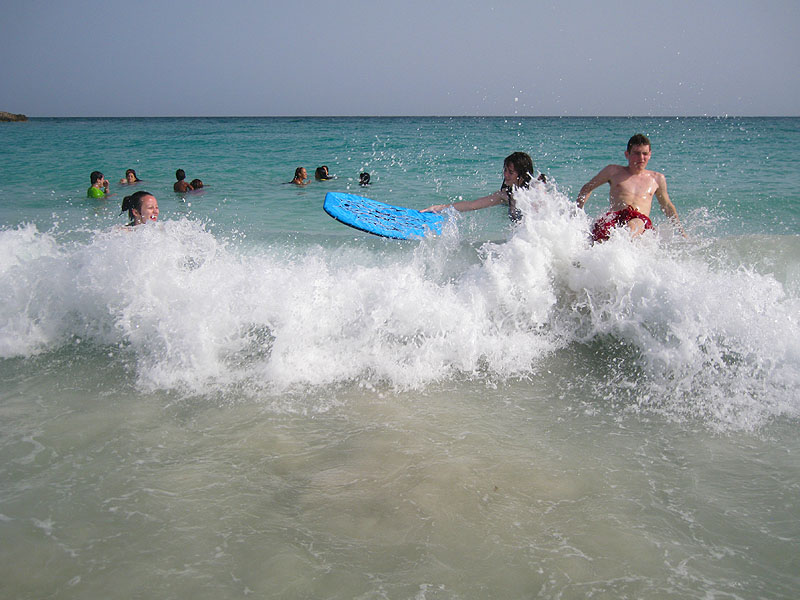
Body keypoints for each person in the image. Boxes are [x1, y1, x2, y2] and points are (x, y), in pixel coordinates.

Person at [576, 133, 684, 242]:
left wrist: (681, 231)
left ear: (650, 154)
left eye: (644, 154)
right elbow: (587, 188)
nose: (641, 158)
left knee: (633, 225)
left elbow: (667, 205)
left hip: (639, 220)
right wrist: (577, 213)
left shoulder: (656, 178)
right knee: (600, 235)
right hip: (615, 217)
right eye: (636, 153)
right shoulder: (613, 171)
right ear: (627, 154)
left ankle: (622, 243)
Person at [422, 152, 541, 221]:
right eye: (505, 170)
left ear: (522, 174)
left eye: (510, 172)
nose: (505, 175)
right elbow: (472, 205)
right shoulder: (505, 195)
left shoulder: (536, 188)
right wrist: (441, 207)